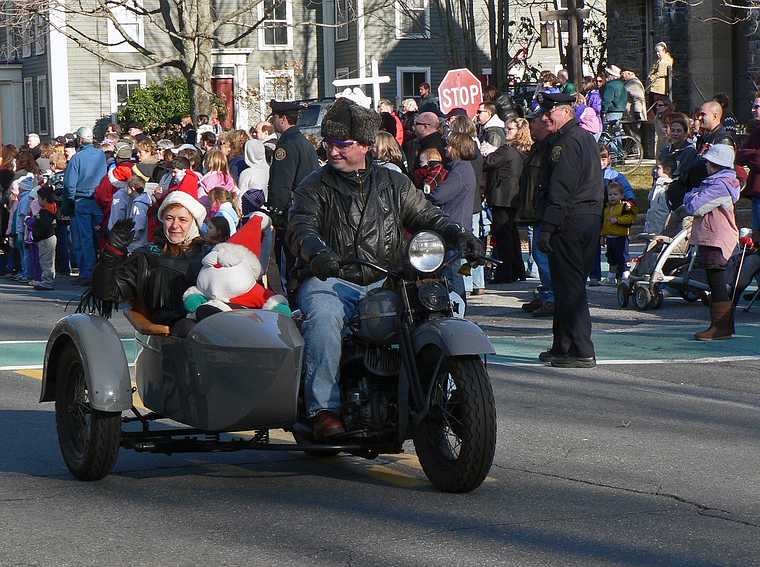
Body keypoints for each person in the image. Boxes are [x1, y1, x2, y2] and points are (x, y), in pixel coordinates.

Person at [286, 97, 483, 439]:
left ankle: (433, 389)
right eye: (329, 144)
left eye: (343, 145)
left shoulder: (392, 184)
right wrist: (318, 253)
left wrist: (459, 235)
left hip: (386, 280)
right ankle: (324, 409)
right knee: (323, 316)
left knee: (433, 308)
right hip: (331, 280)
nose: (333, 152)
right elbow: (301, 227)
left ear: (365, 145)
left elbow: (427, 215)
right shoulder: (313, 187)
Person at [534, 92, 604, 368]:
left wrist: (548, 228)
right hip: (586, 217)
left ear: (565, 112)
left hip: (570, 219)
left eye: (549, 112)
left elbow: (561, 189)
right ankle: (563, 346)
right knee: (566, 285)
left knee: (571, 286)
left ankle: (581, 348)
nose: (544, 117)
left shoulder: (566, 143)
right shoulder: (583, 138)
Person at [85, 190, 210, 331]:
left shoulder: (208, 256)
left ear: (193, 223)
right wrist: (112, 253)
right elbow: (108, 292)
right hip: (163, 337)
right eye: (169, 218)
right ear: (162, 221)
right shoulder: (147, 256)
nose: (175, 225)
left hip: (205, 332)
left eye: (182, 220)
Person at [682, 144, 740, 341]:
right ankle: (723, 326)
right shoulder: (720, 183)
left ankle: (720, 327)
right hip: (713, 237)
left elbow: (694, 207)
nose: (706, 164)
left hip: (716, 239)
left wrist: (690, 195)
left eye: (709, 161)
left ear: (716, 164)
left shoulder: (718, 185)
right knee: (716, 283)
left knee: (717, 284)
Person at [266, 100, 320, 291]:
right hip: (306, 211)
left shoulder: (287, 145)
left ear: (282, 118)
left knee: (287, 263)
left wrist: (276, 215)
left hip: (290, 214)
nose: (272, 121)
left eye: (274, 117)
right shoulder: (303, 142)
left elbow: (281, 185)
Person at [425, 133, 478, 300]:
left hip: (455, 225)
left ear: (457, 149)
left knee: (452, 273)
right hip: (457, 222)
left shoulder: (460, 170)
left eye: (449, 146)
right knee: (453, 271)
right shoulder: (459, 168)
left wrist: (425, 195)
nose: (446, 149)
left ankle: (458, 306)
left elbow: (439, 196)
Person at [483, 117, 531, 284]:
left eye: (510, 129)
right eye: (506, 128)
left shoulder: (507, 150)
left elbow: (488, 162)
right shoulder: (523, 151)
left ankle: (506, 272)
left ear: (519, 132)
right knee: (511, 235)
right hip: (513, 197)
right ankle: (518, 270)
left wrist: (488, 151)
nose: (506, 131)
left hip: (502, 196)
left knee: (503, 236)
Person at [63, 126, 107, 286]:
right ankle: (103, 271)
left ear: (80, 140)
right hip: (99, 200)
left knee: (85, 238)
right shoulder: (101, 155)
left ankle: (87, 272)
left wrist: (70, 200)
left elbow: (69, 185)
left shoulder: (77, 158)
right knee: (101, 237)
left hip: (82, 201)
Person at [600, 181, 636, 284]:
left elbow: (630, 219)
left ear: (621, 195)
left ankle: (625, 275)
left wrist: (618, 220)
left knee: (623, 257)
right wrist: (602, 235)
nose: (612, 197)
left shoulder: (624, 207)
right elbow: (604, 223)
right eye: (610, 195)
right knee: (611, 258)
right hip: (610, 237)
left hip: (621, 237)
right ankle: (611, 277)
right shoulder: (607, 208)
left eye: (615, 194)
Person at [735, 93, 760, 244]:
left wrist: (750, 154)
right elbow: (739, 155)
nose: (753, 110)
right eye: (753, 106)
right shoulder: (756, 131)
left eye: (757, 107)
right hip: (757, 194)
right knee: (756, 237)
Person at [407, 111, 445, 179]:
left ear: (425, 126)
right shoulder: (439, 139)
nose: (414, 127)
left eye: (416, 124)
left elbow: (428, 174)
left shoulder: (430, 145)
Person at [645, 160, 673, 236]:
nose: (655, 170)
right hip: (652, 223)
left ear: (667, 170)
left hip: (662, 225)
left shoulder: (670, 186)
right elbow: (650, 199)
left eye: (658, 168)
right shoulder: (657, 184)